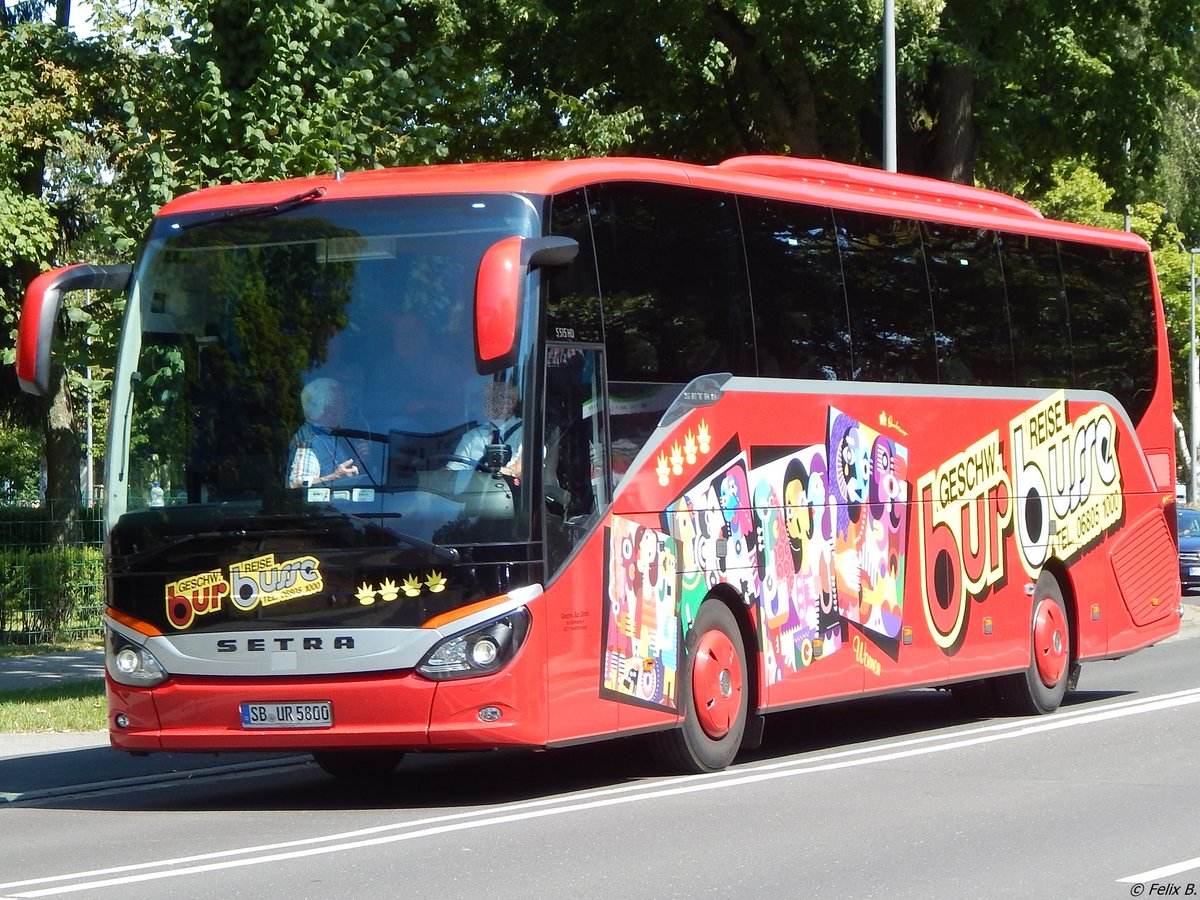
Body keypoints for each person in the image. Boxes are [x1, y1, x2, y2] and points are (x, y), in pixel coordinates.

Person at [287, 378, 361, 488]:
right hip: (322, 505)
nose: (345, 409)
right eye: (341, 404)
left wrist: (360, 458)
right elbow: (296, 485)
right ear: (327, 408)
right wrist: (334, 477)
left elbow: (346, 478)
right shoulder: (309, 441)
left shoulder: (327, 434)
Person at [448, 381, 523, 477]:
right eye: (487, 400)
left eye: (497, 399)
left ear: (512, 402)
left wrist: (509, 471)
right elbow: (452, 471)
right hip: (475, 490)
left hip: (512, 490)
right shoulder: (472, 437)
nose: (491, 404)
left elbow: (530, 462)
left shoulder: (527, 432)